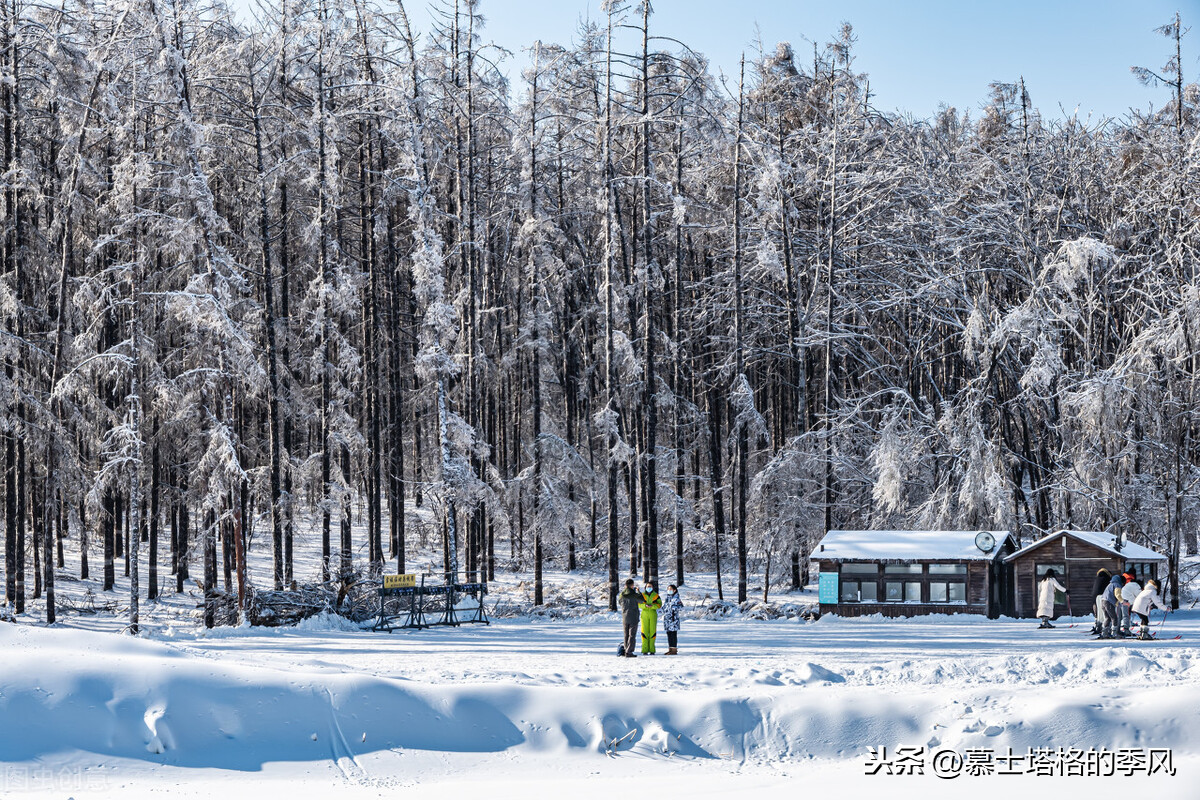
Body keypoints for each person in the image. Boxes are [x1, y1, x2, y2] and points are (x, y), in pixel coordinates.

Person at [1098, 572, 1126, 640]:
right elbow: (1117, 595)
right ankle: (1114, 633)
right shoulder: (1117, 585)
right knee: (1114, 618)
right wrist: (1123, 601)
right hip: (1108, 602)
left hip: (1103, 601)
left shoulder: (1111, 584)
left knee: (1107, 618)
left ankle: (1104, 633)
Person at [639, 582, 662, 654]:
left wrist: (652, 606)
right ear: (645, 587)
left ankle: (652, 650)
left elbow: (659, 605)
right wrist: (645, 606)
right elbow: (639, 604)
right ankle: (644, 650)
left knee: (652, 631)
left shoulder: (656, 595)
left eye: (650, 586)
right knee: (644, 631)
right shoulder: (642, 595)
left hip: (653, 614)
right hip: (644, 614)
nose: (649, 588)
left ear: (652, 587)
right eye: (648, 586)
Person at [619, 579, 640, 657]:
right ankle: (629, 651)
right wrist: (638, 592)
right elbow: (641, 600)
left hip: (625, 616)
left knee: (626, 635)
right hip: (633, 617)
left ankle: (625, 650)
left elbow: (620, 602)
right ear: (632, 585)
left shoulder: (622, 594)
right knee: (632, 635)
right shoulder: (634, 594)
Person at [661, 584, 683, 655]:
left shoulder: (677, 599)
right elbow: (664, 607)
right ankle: (670, 648)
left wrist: (674, 608)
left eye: (670, 589)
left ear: (674, 590)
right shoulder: (667, 599)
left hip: (674, 619)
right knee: (669, 634)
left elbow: (681, 607)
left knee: (673, 634)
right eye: (668, 589)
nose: (669, 591)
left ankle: (674, 649)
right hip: (667, 620)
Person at [1117, 571, 1140, 638]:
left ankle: (1117, 630)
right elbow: (1138, 594)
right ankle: (1126, 630)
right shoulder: (1133, 584)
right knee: (1126, 615)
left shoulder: (1123, 582)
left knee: (1119, 616)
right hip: (1126, 601)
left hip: (1120, 600)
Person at [1090, 567, 1112, 635]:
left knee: (1098, 613)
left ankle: (1098, 626)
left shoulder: (1097, 578)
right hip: (1102, 596)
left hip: (1095, 597)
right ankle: (1105, 628)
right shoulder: (1106, 579)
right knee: (1104, 613)